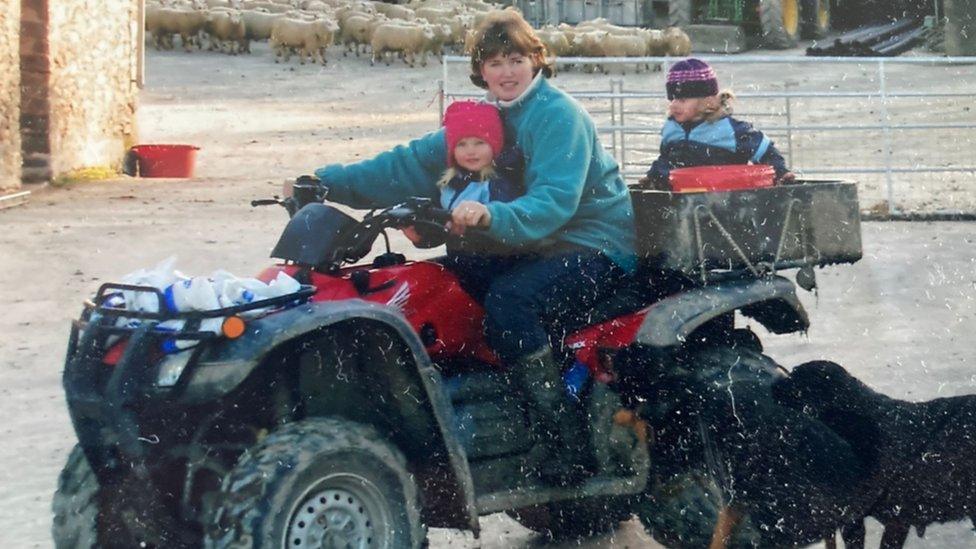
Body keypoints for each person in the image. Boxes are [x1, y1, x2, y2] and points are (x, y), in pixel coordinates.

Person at [314, 9, 636, 485]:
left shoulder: (556, 115)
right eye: (494, 62)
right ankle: (480, 414)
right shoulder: (483, 119)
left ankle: (564, 440)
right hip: (532, 241)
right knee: (441, 284)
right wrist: (323, 184)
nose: (506, 72)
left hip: (592, 242)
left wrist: (490, 216)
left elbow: (553, 202)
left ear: (536, 61)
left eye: (516, 59)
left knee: (510, 302)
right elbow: (404, 165)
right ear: (480, 70)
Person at [406, 99, 525, 301]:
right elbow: (442, 226)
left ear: (494, 145)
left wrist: (477, 224)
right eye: (462, 144)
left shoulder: (498, 184)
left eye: (479, 143)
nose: (470, 151)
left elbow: (506, 224)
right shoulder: (450, 183)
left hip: (494, 266)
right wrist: (420, 235)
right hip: (462, 261)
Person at [642, 58, 795, 190]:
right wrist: (654, 177)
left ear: (707, 101)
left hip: (723, 199)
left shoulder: (730, 130)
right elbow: (666, 159)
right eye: (672, 99)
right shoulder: (671, 130)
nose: (674, 105)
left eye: (682, 100)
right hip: (683, 198)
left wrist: (781, 172)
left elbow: (765, 150)